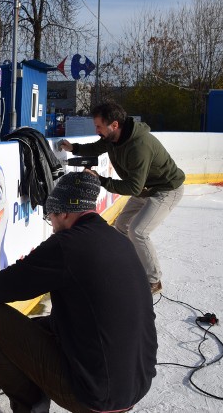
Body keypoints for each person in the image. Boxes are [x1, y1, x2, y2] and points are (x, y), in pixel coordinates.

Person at [0, 172, 157, 413]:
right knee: (33, 326)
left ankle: (31, 408)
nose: (53, 226)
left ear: (65, 213)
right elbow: (91, 318)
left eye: (51, 218)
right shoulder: (117, 240)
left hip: (95, 395)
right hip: (134, 385)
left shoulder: (67, 244)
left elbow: (13, 281)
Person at [58, 101, 184, 295]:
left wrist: (101, 180)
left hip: (166, 189)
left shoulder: (139, 146)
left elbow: (133, 186)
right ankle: (131, 264)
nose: (97, 130)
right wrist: (73, 148)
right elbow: (96, 147)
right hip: (145, 188)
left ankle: (154, 280)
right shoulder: (112, 138)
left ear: (114, 125)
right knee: (122, 224)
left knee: (138, 231)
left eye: (99, 126)